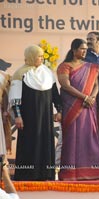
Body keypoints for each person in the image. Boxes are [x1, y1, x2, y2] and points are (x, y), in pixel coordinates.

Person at [9, 45, 62, 181]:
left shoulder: (48, 73)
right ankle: (27, 175)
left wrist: (59, 110)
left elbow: (55, 94)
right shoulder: (20, 73)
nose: (41, 58)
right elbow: (15, 98)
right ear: (31, 56)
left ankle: (46, 174)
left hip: (45, 118)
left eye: (42, 56)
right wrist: (18, 116)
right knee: (29, 144)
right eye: (38, 56)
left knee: (45, 143)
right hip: (28, 118)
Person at [57, 39, 99, 180]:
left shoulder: (91, 67)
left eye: (86, 49)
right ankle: (69, 173)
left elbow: (96, 85)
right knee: (71, 139)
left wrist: (92, 98)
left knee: (89, 138)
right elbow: (65, 85)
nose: (84, 52)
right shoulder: (65, 66)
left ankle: (90, 173)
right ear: (73, 49)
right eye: (82, 49)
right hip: (72, 108)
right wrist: (84, 97)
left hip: (88, 108)